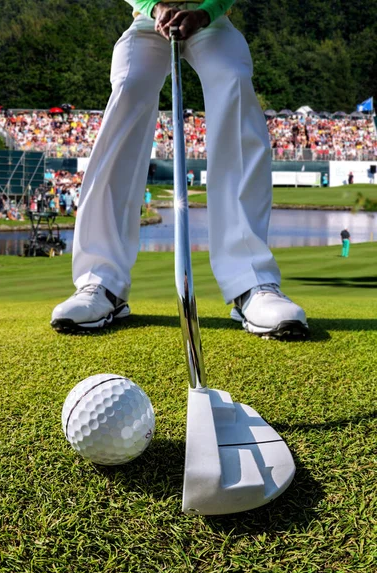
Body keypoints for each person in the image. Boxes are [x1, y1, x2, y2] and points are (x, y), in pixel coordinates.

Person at [51, 0, 308, 339]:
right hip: (148, 21)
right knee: (130, 85)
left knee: (232, 78)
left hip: (212, 18)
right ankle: (101, 281)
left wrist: (205, 12)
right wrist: (153, 6)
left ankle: (251, 281)